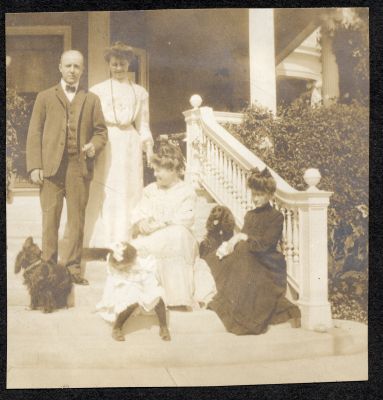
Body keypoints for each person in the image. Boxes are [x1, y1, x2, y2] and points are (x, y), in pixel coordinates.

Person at [26, 50, 108, 285]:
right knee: (49, 219)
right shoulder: (44, 97)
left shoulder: (91, 99)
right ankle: (48, 269)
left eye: (77, 67)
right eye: (68, 65)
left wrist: (94, 145)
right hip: (50, 169)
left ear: (82, 70)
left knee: (76, 220)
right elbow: (35, 133)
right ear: (60, 67)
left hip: (78, 167)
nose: (72, 71)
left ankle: (72, 269)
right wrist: (34, 166)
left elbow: (101, 131)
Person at [205, 167, 301, 335]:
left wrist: (243, 238)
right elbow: (244, 238)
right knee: (216, 257)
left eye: (259, 195)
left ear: (270, 195)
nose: (255, 198)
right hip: (249, 256)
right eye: (253, 194)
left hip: (268, 261)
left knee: (243, 250)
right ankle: (225, 301)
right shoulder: (250, 215)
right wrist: (232, 244)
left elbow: (266, 244)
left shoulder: (276, 216)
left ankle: (245, 318)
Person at [84, 42, 154, 247]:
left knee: (130, 188)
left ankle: (127, 238)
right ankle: (104, 241)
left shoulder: (140, 92)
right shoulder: (97, 91)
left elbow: (143, 123)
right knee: (107, 187)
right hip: (107, 141)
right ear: (109, 64)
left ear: (129, 64)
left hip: (130, 143)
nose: (118, 68)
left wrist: (148, 147)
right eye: (114, 64)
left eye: (122, 64)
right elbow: (91, 123)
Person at [130, 143, 216, 309]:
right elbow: (140, 213)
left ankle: (177, 298)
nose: (155, 174)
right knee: (136, 245)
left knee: (176, 235)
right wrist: (142, 224)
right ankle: (145, 299)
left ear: (172, 169)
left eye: (159, 170)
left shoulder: (186, 191)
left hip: (179, 237)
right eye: (154, 170)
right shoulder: (150, 190)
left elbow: (185, 219)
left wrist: (159, 224)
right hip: (153, 237)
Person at [96, 242, 171, 342]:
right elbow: (112, 285)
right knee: (130, 301)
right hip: (125, 288)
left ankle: (163, 326)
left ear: (132, 261)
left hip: (142, 285)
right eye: (121, 269)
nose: (124, 269)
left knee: (157, 297)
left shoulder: (141, 265)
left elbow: (149, 280)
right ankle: (117, 327)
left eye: (125, 267)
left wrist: (149, 292)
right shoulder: (114, 267)